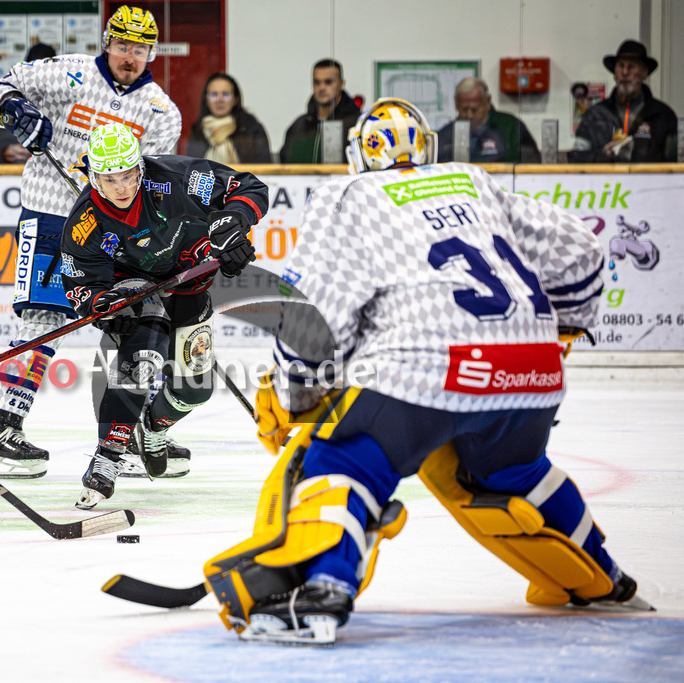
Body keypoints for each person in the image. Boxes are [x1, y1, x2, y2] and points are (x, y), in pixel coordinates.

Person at [203, 98, 647, 646]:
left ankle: (322, 592)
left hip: (429, 368)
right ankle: (604, 578)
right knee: (514, 474)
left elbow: (312, 319)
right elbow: (581, 249)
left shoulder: (349, 193)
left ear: (355, 155)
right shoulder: (471, 180)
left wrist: (294, 398)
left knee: (343, 456)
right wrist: (561, 335)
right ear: (427, 148)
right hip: (530, 372)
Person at [0, 5, 182, 479]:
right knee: (42, 319)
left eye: (140, 48)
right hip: (51, 214)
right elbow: (2, 90)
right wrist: (16, 111)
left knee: (135, 324)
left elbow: (150, 184)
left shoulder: (161, 111)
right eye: (122, 45)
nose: (129, 56)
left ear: (151, 52)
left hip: (117, 234)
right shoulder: (64, 73)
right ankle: (2, 428)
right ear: (107, 42)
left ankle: (129, 433)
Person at [61, 122, 267, 510]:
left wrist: (232, 223)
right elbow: (79, 281)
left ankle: (154, 427)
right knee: (142, 353)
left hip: (189, 285)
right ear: (93, 176)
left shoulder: (179, 179)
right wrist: (100, 306)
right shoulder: (85, 222)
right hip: (136, 289)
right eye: (110, 179)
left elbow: (250, 187)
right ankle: (108, 455)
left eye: (128, 174)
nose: (122, 186)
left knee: (195, 389)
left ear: (140, 167)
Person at [569, 40, 678, 163]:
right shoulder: (594, 115)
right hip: (606, 182)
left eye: (631, 67)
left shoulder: (664, 116)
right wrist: (602, 156)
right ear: (614, 73)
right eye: (621, 66)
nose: (625, 72)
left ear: (644, 73)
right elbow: (576, 159)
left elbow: (673, 164)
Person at [435, 77, 540, 163]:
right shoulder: (445, 136)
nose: (469, 115)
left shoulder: (511, 127)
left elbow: (532, 166)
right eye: (464, 110)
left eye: (474, 109)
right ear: (456, 105)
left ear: (488, 101)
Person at [280, 59, 360, 163]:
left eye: (328, 82)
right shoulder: (298, 127)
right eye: (317, 82)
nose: (322, 88)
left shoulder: (357, 125)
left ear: (341, 84)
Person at [185, 73, 272, 163]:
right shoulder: (198, 132)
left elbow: (264, 166)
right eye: (214, 95)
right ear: (206, 100)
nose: (219, 99)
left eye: (225, 94)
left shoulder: (251, 129)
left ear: (235, 99)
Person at [0, 43, 58, 164]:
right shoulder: (11, 104)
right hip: (13, 177)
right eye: (34, 76)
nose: (39, 84)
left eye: (45, 76)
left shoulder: (64, 109)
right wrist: (6, 152)